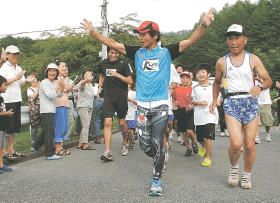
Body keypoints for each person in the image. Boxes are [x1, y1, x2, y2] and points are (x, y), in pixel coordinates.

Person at [80, 8, 214, 196]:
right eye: (139, 34)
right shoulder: (137, 52)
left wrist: (203, 25)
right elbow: (113, 43)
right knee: (145, 145)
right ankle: (159, 157)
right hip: (142, 105)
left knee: (157, 141)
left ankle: (157, 179)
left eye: (144, 34)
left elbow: (189, 41)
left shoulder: (167, 52)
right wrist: (93, 33)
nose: (140, 37)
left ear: (155, 35)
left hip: (160, 104)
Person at [210, 24, 272, 189]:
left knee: (250, 145)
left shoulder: (253, 59)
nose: (233, 42)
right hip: (231, 103)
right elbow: (216, 83)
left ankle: (246, 175)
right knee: (236, 144)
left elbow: (267, 80)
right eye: (230, 38)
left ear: (245, 39)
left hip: (250, 102)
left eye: (237, 38)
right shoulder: (222, 62)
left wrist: (259, 87)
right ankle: (234, 168)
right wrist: (214, 101)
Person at [98, 47, 133, 159]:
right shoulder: (103, 63)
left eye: (116, 53)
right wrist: (100, 87)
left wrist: (117, 75)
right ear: (109, 52)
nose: (113, 55)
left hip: (121, 97)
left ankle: (125, 142)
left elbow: (129, 80)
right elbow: (102, 75)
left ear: (119, 53)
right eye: (112, 52)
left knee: (122, 122)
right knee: (107, 122)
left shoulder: (124, 64)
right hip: (108, 97)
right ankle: (107, 151)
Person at [0, 45, 33, 160]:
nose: (16, 56)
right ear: (7, 55)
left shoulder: (18, 67)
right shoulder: (3, 67)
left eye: (17, 54)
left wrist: (27, 80)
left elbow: (21, 83)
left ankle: (11, 150)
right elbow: (3, 82)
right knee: (6, 128)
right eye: (13, 54)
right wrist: (16, 77)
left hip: (17, 99)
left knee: (13, 128)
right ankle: (4, 152)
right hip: (7, 100)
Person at [32, 63, 65, 160]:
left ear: (57, 73)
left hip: (52, 109)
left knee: (46, 131)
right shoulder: (44, 82)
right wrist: (58, 85)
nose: (52, 73)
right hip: (46, 110)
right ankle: (49, 154)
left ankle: (35, 146)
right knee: (50, 132)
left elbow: (59, 95)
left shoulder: (55, 83)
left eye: (54, 71)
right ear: (47, 72)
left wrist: (61, 86)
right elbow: (50, 95)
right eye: (50, 71)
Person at [192, 64, 220, 166]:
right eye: (199, 73)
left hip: (210, 115)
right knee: (200, 138)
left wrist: (216, 103)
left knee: (207, 137)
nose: (200, 74)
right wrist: (198, 103)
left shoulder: (214, 87)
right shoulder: (194, 87)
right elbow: (192, 100)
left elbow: (219, 99)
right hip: (199, 116)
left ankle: (208, 158)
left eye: (203, 72)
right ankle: (203, 147)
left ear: (208, 74)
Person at [173, 71, 198, 157]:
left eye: (186, 78)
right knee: (183, 132)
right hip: (180, 111)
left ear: (189, 79)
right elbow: (174, 98)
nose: (184, 79)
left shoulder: (192, 89)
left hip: (189, 111)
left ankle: (194, 142)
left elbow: (195, 101)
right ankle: (188, 148)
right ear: (180, 79)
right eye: (182, 78)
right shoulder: (176, 89)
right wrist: (175, 102)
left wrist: (192, 106)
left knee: (189, 131)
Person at [54, 60, 74, 155]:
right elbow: (58, 92)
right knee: (59, 127)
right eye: (62, 66)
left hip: (65, 104)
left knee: (65, 127)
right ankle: (57, 148)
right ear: (57, 68)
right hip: (58, 104)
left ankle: (61, 147)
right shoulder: (55, 79)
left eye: (65, 66)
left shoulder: (66, 79)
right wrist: (68, 87)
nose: (65, 68)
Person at [75, 69, 96, 150]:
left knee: (86, 125)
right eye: (87, 74)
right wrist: (86, 79)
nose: (89, 75)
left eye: (90, 74)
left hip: (89, 107)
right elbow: (80, 85)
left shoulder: (90, 85)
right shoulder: (82, 82)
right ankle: (85, 144)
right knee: (86, 125)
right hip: (82, 106)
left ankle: (80, 143)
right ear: (84, 76)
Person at [0, 75, 13, 174]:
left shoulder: (1, 98)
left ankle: (1, 165)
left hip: (3, 126)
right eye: (4, 85)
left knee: (2, 147)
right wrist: (7, 113)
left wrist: (6, 113)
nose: (6, 87)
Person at [255, 74, 274, 143]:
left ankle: (267, 134)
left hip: (266, 102)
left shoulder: (266, 80)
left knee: (267, 121)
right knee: (256, 121)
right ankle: (256, 137)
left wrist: (259, 79)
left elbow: (266, 85)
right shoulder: (254, 81)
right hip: (256, 102)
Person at [27, 72, 41, 145]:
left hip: (42, 109)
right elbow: (33, 96)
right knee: (34, 126)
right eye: (31, 79)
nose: (33, 81)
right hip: (33, 110)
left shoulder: (41, 87)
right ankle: (34, 141)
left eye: (34, 79)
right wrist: (38, 88)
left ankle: (42, 141)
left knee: (43, 126)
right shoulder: (29, 89)